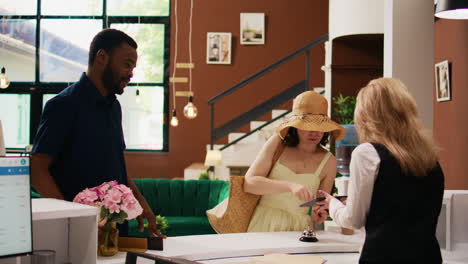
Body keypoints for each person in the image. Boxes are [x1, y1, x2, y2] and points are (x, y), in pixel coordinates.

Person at [31, 29, 164, 237]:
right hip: (76, 236)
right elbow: (37, 169)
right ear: (102, 57)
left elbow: (116, 166)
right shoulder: (64, 105)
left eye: (133, 67)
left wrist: (140, 204)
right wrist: (72, 222)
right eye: (127, 64)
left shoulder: (115, 108)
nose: (131, 73)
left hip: (115, 231)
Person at [317, 78, 444, 263]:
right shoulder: (430, 157)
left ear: (366, 116)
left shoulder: (367, 154)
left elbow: (353, 220)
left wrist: (332, 205)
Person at [243, 91, 345, 232]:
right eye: (307, 126)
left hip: (299, 230)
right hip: (264, 224)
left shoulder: (329, 161)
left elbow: (320, 203)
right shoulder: (277, 143)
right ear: (295, 125)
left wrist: (319, 213)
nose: (314, 132)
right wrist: (290, 186)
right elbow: (249, 183)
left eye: (320, 127)